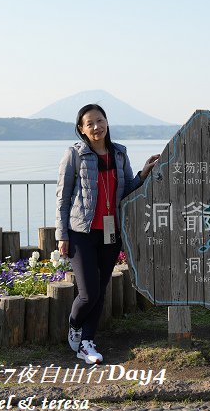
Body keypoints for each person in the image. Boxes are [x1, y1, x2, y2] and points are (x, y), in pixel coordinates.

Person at [56, 103, 160, 364]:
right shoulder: (74, 155)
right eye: (89, 123)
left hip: (110, 232)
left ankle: (87, 342)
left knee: (101, 290)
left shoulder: (119, 154)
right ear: (81, 129)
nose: (96, 127)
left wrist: (143, 174)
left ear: (107, 122)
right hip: (81, 232)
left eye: (99, 121)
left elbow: (126, 191)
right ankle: (75, 323)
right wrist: (62, 235)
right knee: (88, 292)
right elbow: (63, 197)